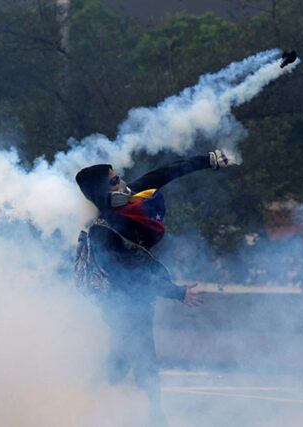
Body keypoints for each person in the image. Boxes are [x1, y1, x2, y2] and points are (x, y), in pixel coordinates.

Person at [74, 150, 234, 424]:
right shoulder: (103, 232)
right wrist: (177, 292)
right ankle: (153, 417)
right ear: (101, 192)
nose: (122, 184)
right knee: (142, 356)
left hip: (136, 297)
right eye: (113, 183)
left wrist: (207, 159)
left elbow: (167, 172)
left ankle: (84, 399)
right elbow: (132, 274)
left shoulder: (135, 194)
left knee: (123, 358)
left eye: (118, 177)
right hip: (120, 301)